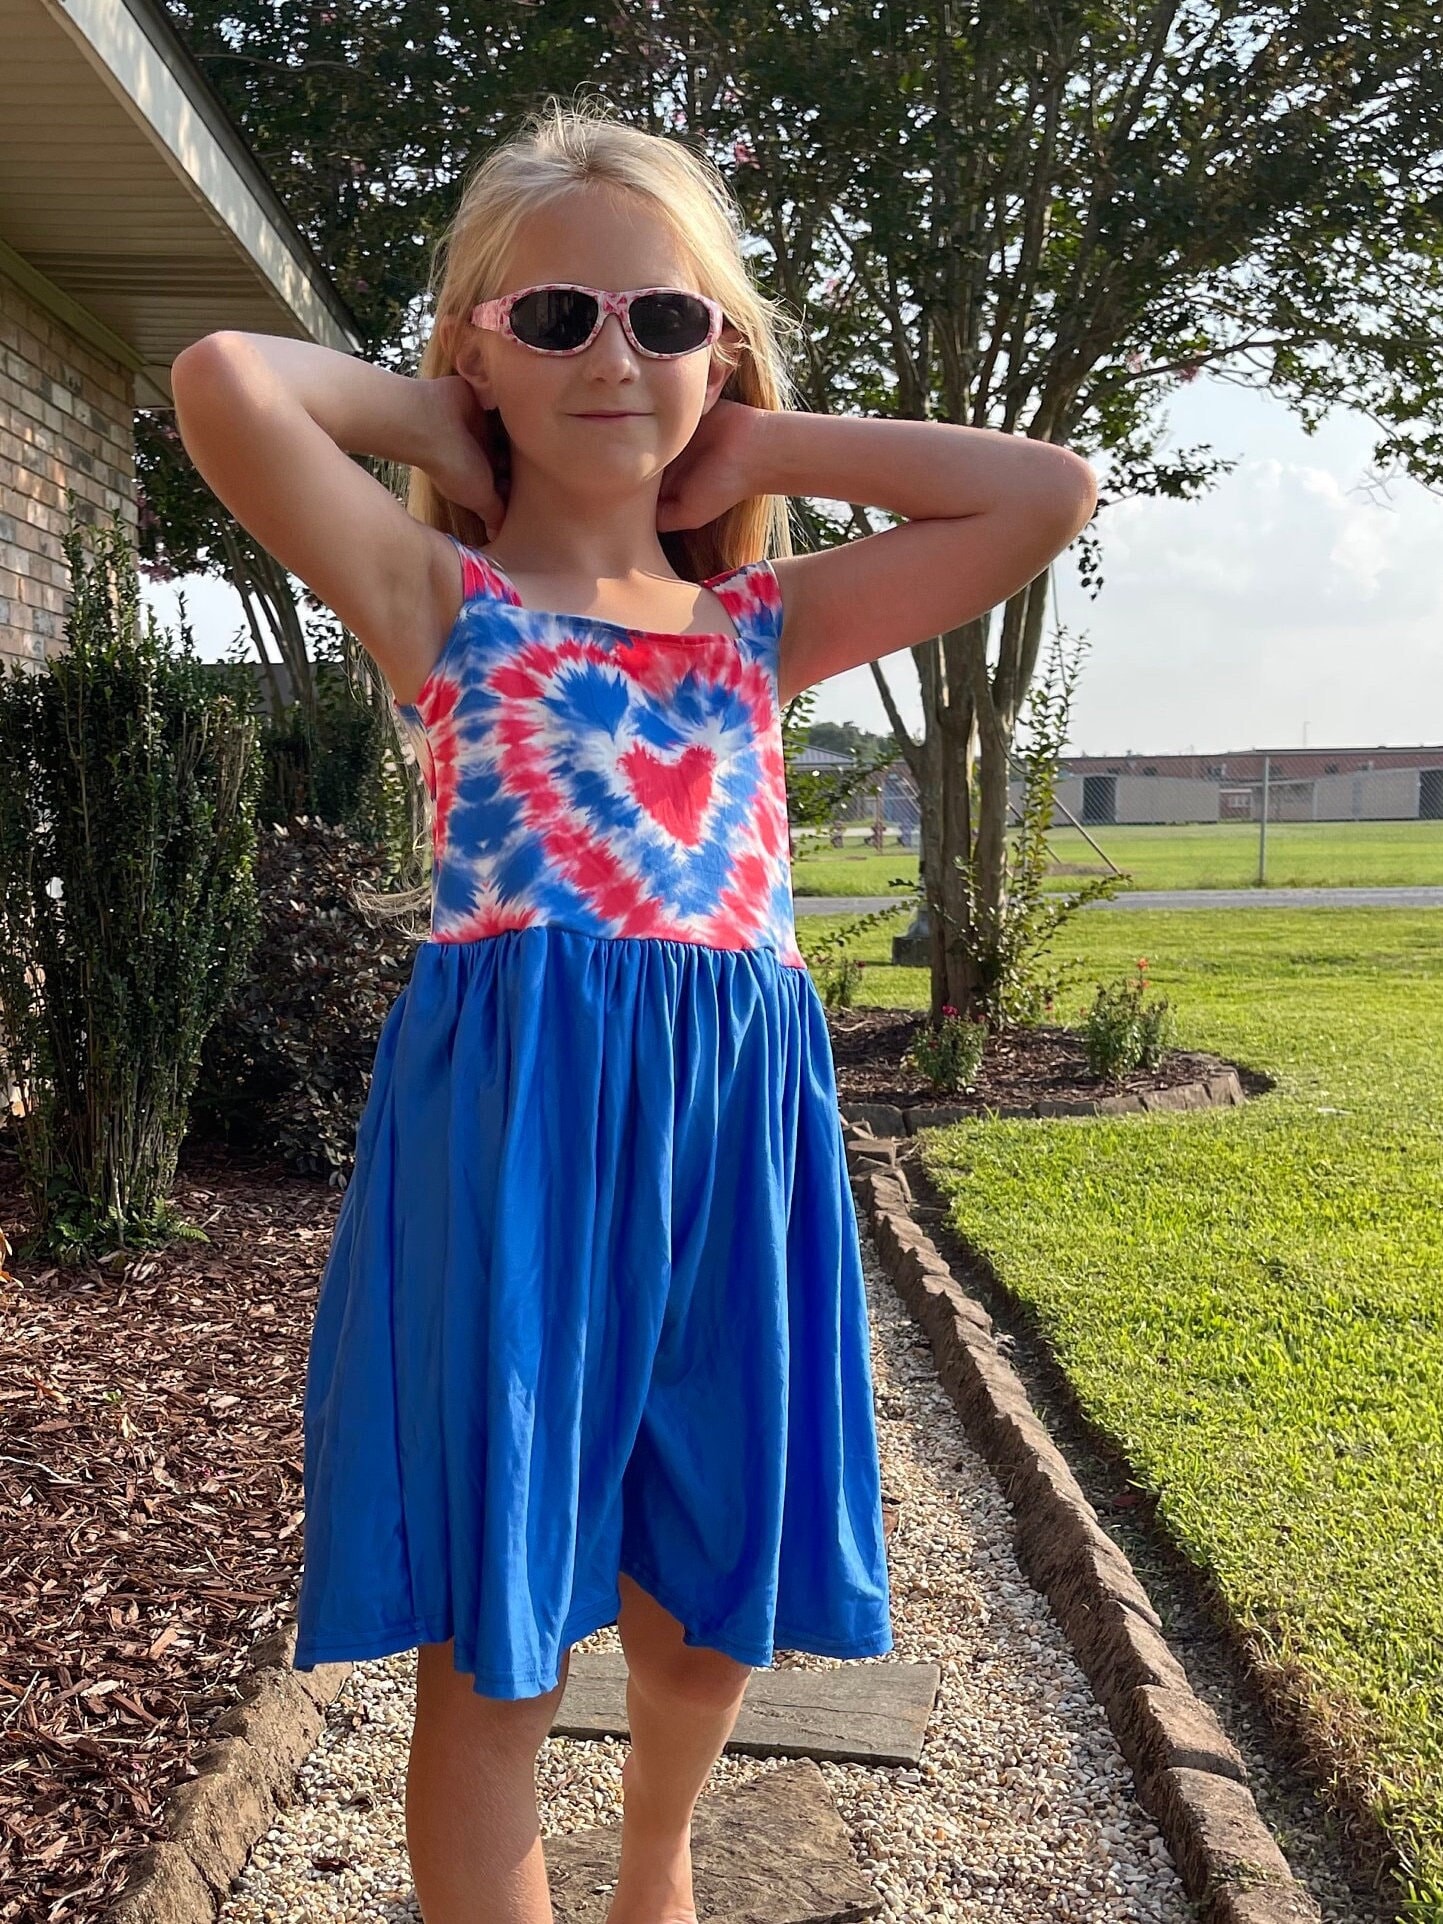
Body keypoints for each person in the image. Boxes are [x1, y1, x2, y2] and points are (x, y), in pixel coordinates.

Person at [171, 94, 1095, 1924]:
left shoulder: (763, 625)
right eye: (558, 318)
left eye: (664, 319)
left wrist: (743, 430)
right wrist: (443, 410)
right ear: (479, 355)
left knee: (705, 1613)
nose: (616, 353)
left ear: (718, 358)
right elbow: (223, 377)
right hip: (515, 1152)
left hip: (734, 1151)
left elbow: (1042, 491)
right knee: (502, 1649)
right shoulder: (443, 599)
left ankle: (656, 1861)